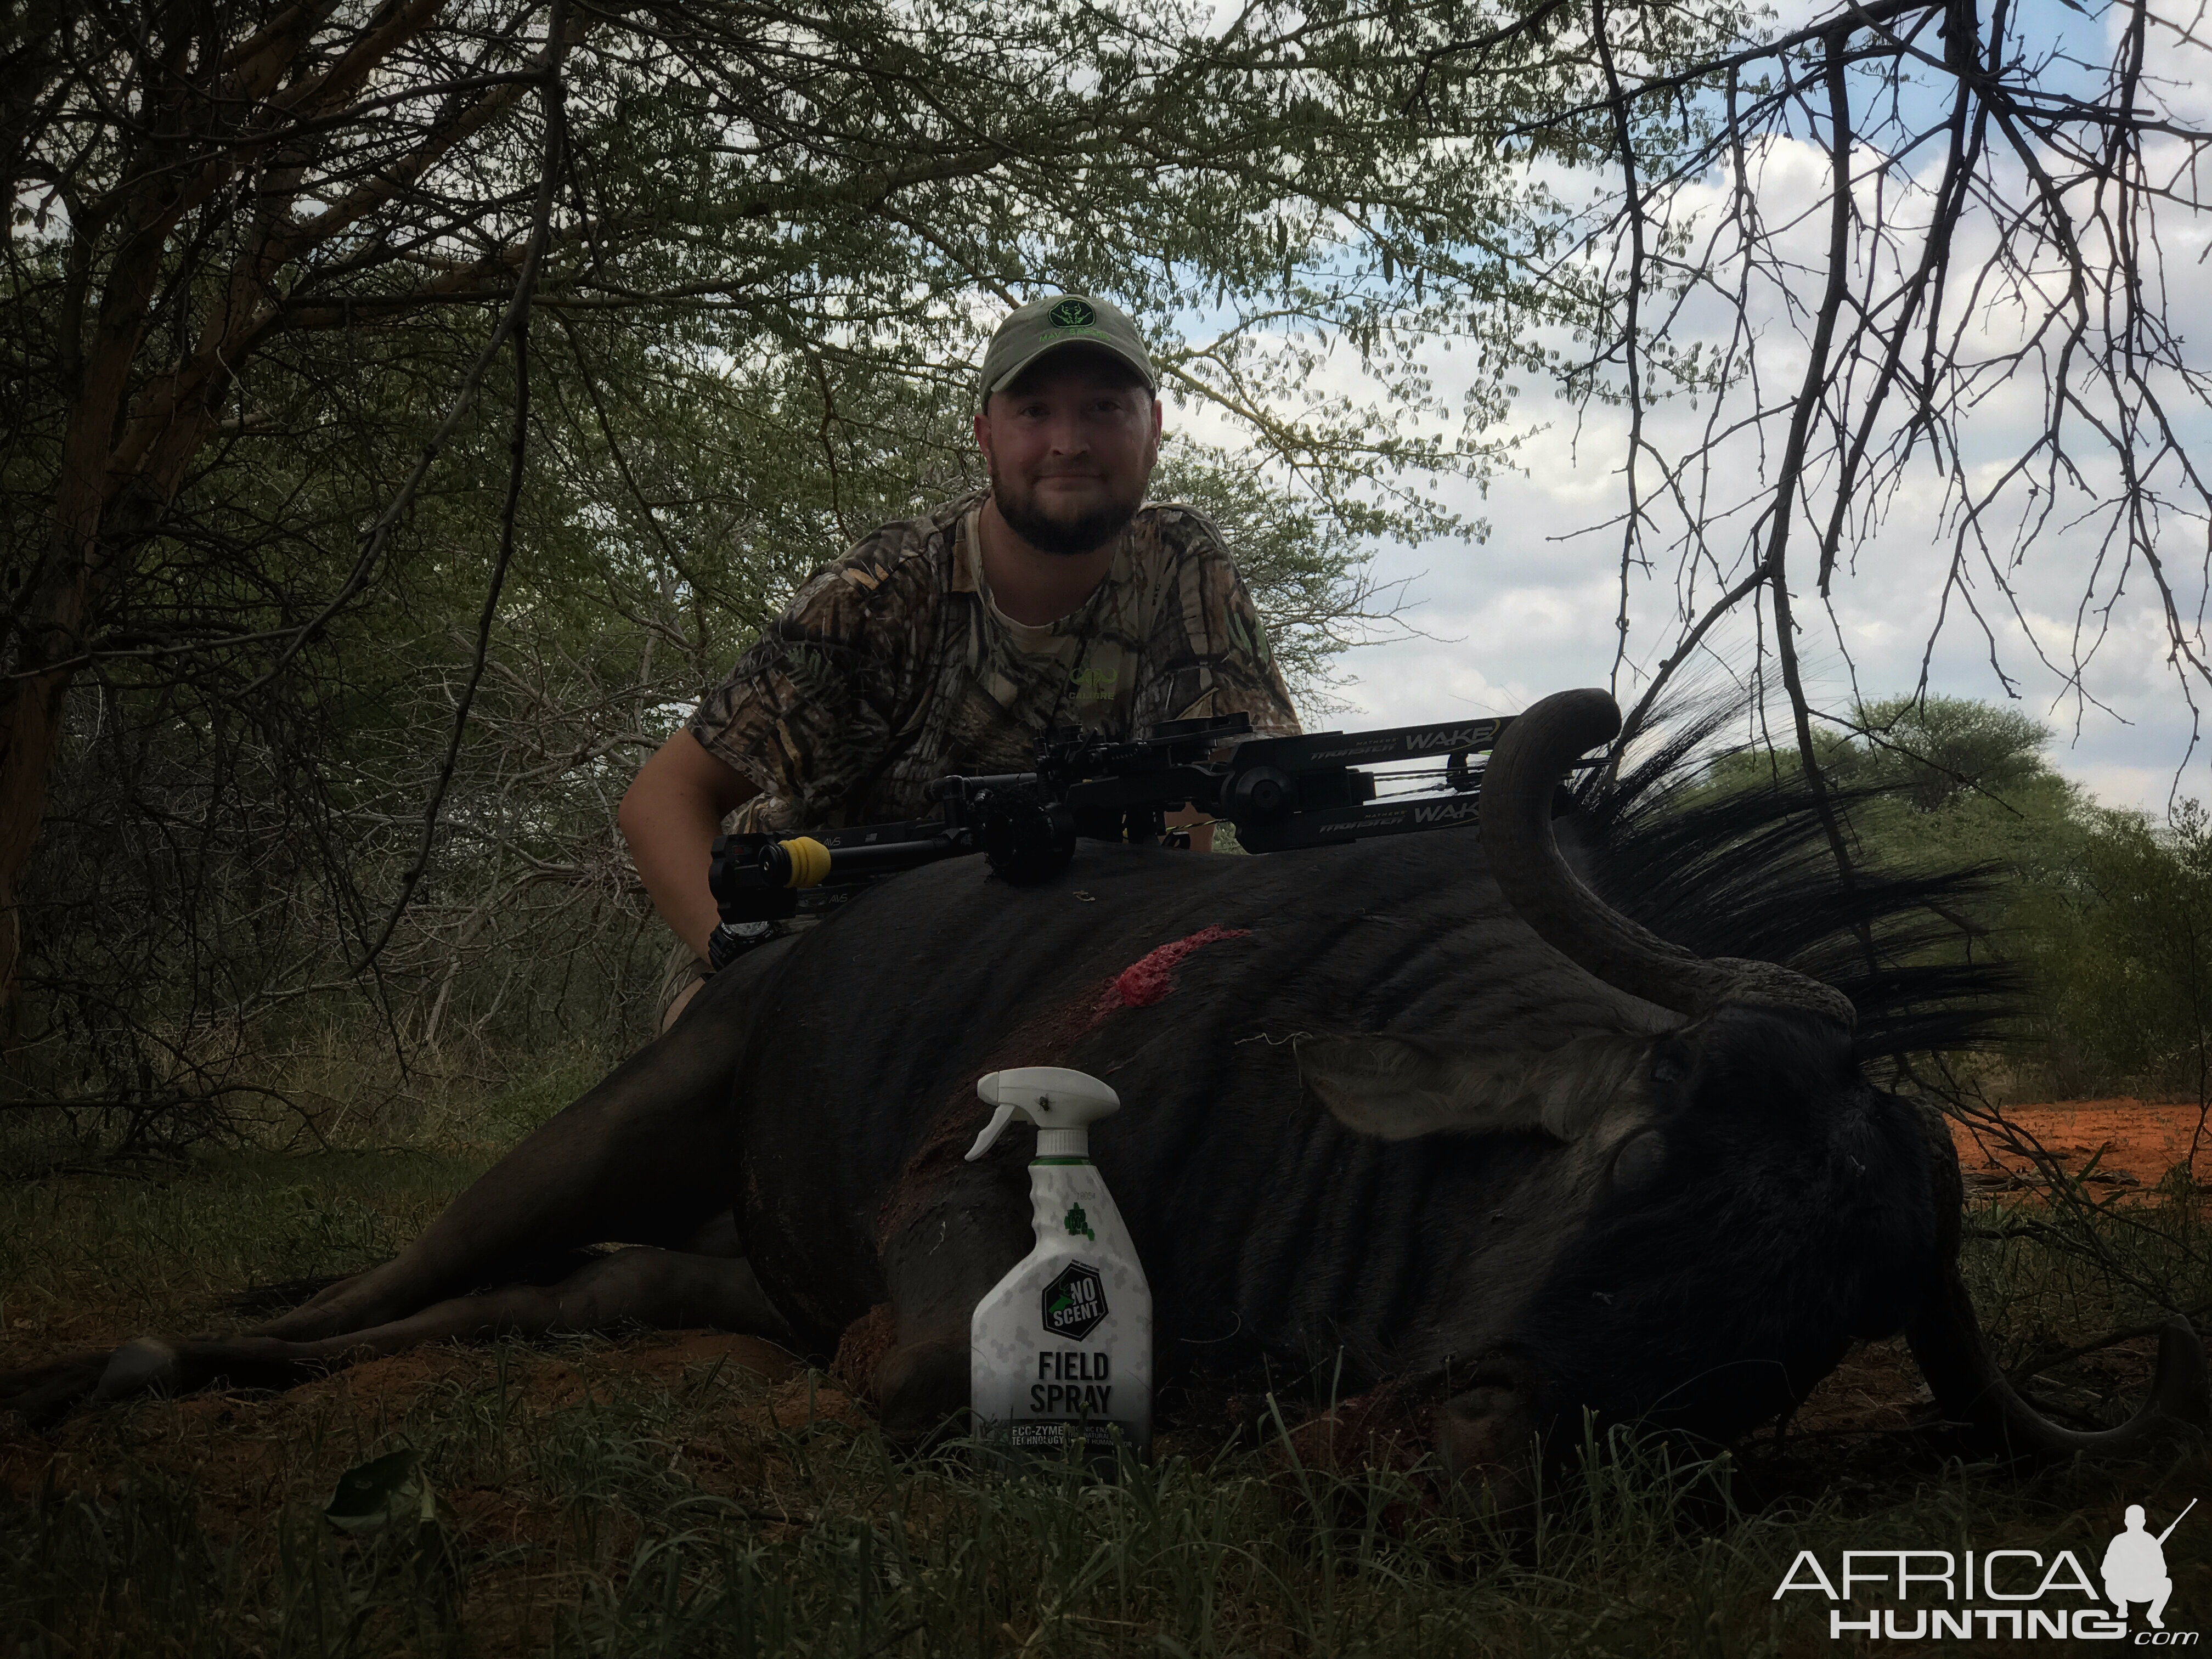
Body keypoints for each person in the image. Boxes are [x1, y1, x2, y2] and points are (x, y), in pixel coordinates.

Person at [619, 294, 1301, 1028]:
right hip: (810, 943)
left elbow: (1202, 804)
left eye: (1104, 408)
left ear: (1155, 429)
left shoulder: (1183, 565)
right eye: (1034, 412)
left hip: (1041, 948)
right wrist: (745, 970)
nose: (1068, 442)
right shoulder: (880, 592)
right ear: (985, 437)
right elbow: (661, 799)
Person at [2102, 1504, 2175, 1628]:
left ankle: (2154, 1614)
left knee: (2167, 1583)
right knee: (2109, 1583)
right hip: (2123, 1589)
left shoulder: (2151, 1541)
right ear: (2126, 1522)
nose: (2135, 1523)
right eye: (2132, 1520)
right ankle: (2121, 1606)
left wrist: (2148, 1569)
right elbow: (2106, 1569)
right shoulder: (2118, 1541)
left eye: (2138, 1519)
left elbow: (2162, 1570)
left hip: (2145, 1588)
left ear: (2143, 1522)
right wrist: (2121, 1572)